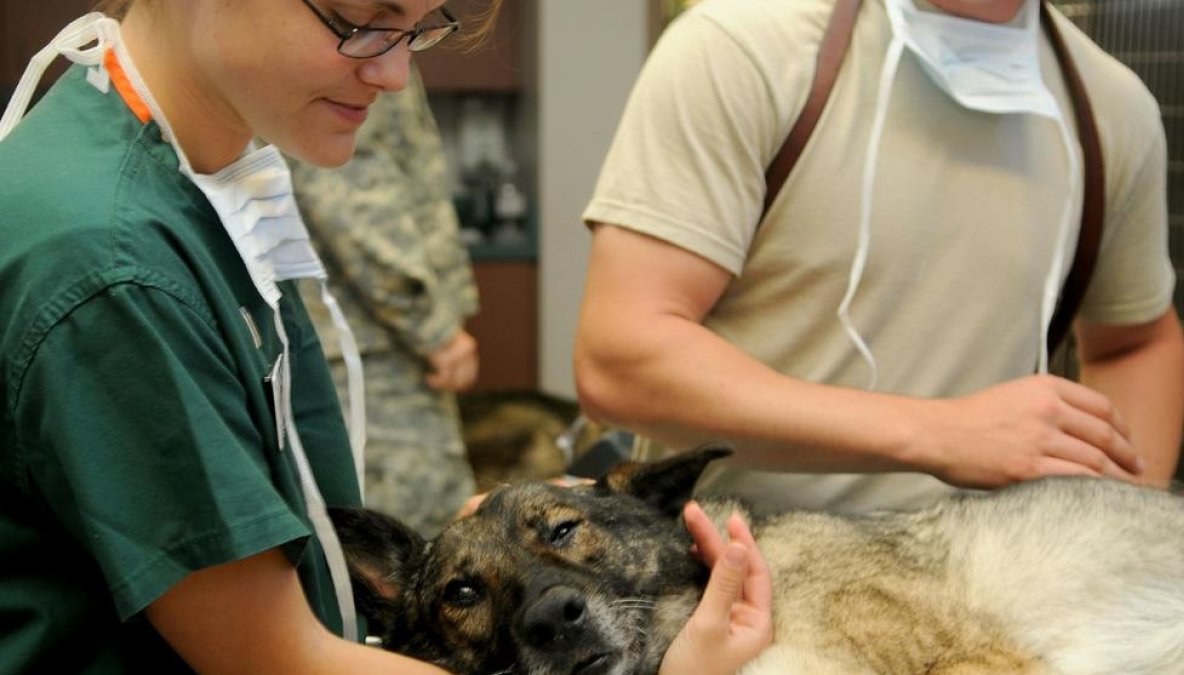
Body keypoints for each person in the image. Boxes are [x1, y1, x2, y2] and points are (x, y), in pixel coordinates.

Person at [0, 0, 772, 673]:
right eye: (362, 22)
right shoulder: (112, 266)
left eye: (419, 30)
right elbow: (277, 659)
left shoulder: (202, 182)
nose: (395, 75)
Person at [575, 0, 1184, 516]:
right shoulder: (744, 49)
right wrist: (939, 433)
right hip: (740, 589)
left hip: (991, 592)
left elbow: (1136, 341)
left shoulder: (1112, 109)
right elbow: (621, 359)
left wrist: (1120, 529)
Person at [289, 73, 481, 539]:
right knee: (418, 548)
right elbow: (349, 191)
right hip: (370, 346)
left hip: (359, 337)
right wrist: (432, 328)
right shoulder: (353, 41)